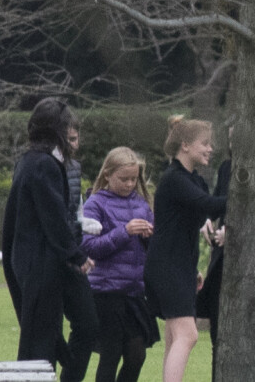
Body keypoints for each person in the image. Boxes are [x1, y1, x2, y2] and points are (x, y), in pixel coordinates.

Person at [2, 97, 99, 382]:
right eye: (66, 127)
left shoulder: (34, 162)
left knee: (85, 324)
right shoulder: (42, 164)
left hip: (49, 259)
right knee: (41, 338)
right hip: (43, 262)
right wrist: (76, 255)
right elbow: (52, 217)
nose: (72, 133)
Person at [197, 126, 255, 381]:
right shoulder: (227, 168)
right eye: (230, 139)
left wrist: (236, 233)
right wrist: (206, 220)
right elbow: (216, 204)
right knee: (220, 338)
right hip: (223, 264)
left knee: (252, 339)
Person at [144, 115, 227, 382]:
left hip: (178, 266)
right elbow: (212, 206)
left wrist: (192, 270)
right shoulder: (174, 179)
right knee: (187, 335)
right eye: (205, 144)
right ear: (185, 146)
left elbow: (204, 210)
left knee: (174, 337)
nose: (210, 149)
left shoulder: (193, 180)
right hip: (167, 266)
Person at [81, 147, 159, 382]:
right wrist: (124, 232)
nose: (129, 184)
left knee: (137, 354)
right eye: (123, 179)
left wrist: (149, 237)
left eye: (133, 179)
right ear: (107, 175)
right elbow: (90, 247)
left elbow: (152, 249)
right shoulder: (95, 203)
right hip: (106, 290)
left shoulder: (142, 204)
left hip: (134, 291)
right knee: (111, 354)